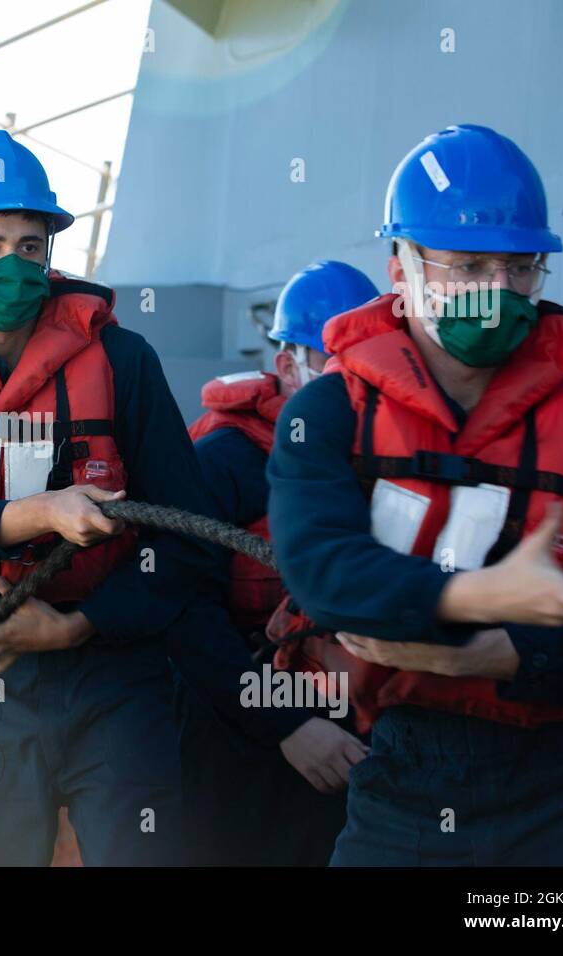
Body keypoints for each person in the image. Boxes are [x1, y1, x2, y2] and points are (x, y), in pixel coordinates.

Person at [0, 129, 241, 866]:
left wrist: (80, 625)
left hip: (119, 677)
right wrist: (40, 513)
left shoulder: (124, 360)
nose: (12, 265)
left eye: (31, 247)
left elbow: (189, 542)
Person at [267, 124, 563, 865]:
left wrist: (514, 655)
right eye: (468, 264)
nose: (496, 291)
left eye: (518, 268)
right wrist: (476, 603)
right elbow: (322, 572)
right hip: (406, 775)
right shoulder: (328, 414)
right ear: (400, 270)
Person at [181, 261, 378, 865]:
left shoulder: (396, 461)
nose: (361, 389)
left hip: (364, 742)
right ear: (290, 366)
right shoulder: (224, 464)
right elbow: (185, 619)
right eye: (341, 369)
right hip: (245, 751)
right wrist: (290, 726)